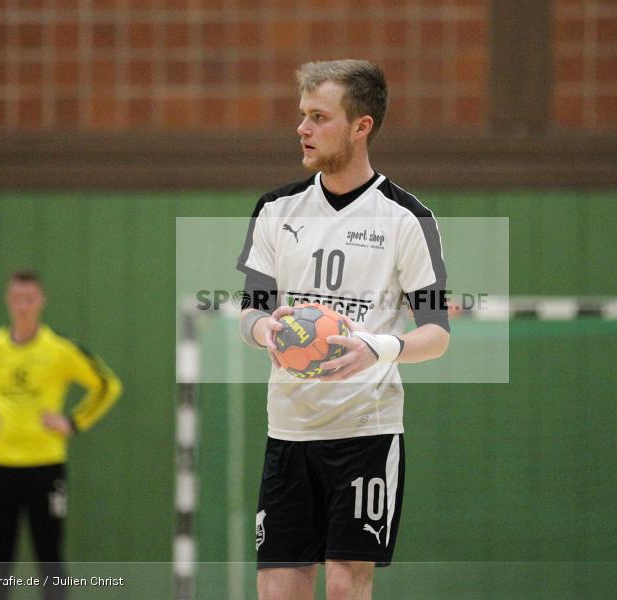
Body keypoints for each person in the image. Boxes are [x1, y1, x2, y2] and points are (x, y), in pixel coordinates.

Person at [237, 59, 450, 600]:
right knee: (279, 591)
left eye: (318, 117)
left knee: (344, 586)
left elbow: (436, 334)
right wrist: (269, 332)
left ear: (362, 126)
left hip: (366, 434)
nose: (302, 129)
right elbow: (251, 312)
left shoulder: (407, 218)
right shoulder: (275, 209)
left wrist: (374, 349)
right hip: (288, 431)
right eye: (302, 115)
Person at [0, 269, 122, 600]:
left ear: (41, 301)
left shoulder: (59, 350)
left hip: (45, 465)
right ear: (8, 302)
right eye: (16, 299)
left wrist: (73, 422)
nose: (23, 307)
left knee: (49, 556)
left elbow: (107, 384)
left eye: (29, 299)